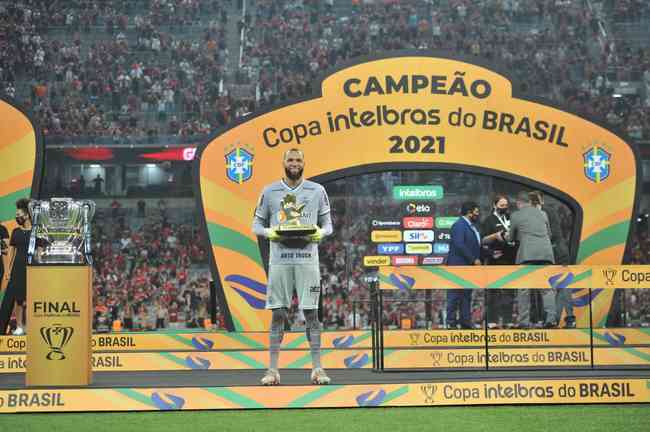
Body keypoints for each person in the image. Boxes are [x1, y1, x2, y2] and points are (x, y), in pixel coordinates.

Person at [252, 148, 333, 385]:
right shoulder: (269, 191)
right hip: (280, 260)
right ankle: (272, 371)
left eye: (298, 159)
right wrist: (270, 232)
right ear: (283, 163)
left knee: (312, 313)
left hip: (308, 260)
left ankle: (318, 369)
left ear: (304, 162)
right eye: (290, 159)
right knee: (278, 313)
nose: (294, 163)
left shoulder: (317, 190)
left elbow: (328, 224)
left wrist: (320, 232)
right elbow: (256, 224)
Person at [505, 191, 556, 328]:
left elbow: (510, 238)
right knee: (546, 289)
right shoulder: (543, 214)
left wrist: (504, 236)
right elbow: (549, 235)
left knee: (524, 289)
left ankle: (524, 322)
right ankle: (551, 320)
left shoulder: (516, 215)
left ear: (519, 203)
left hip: (527, 255)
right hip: (546, 255)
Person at [532, 191, 575, 328]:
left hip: (557, 254)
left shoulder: (549, 212)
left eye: (536, 202)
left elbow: (554, 233)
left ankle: (567, 318)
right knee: (553, 288)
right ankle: (555, 319)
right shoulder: (534, 214)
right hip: (547, 255)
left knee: (562, 286)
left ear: (541, 201)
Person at [481, 195, 517, 328]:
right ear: (494, 205)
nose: (504, 208)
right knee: (493, 292)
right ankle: (492, 321)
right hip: (494, 260)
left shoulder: (511, 218)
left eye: (506, 205)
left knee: (509, 292)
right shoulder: (488, 220)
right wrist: (495, 236)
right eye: (501, 205)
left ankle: (508, 320)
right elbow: (483, 240)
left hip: (510, 259)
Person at [446, 201, 483, 329]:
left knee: (466, 295)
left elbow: (475, 246)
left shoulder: (472, 227)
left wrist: (489, 253)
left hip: (468, 267)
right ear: (469, 212)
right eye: (476, 212)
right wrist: (474, 260)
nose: (478, 215)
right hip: (458, 266)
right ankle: (451, 323)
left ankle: (465, 322)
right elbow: (459, 244)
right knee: (454, 296)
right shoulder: (459, 225)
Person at [0, 198, 33, 335]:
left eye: (19, 214)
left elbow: (39, 251)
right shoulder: (15, 232)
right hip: (17, 269)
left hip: (31, 269)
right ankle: (19, 326)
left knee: (30, 300)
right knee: (18, 300)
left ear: (26, 215)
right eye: (16, 215)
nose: (17, 217)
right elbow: (11, 253)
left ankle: (30, 325)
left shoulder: (35, 232)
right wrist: (8, 271)